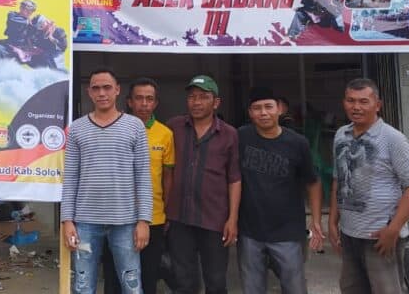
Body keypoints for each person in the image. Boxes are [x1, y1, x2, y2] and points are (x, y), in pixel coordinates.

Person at [328, 78, 409, 294]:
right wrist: (333, 221)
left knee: (386, 290)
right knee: (352, 288)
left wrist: (394, 229)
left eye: (363, 101)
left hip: (380, 235)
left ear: (377, 104)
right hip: (350, 233)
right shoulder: (341, 135)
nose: (356, 107)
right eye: (351, 101)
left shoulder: (392, 138)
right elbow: (338, 179)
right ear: (344, 103)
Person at [62, 68, 152, 294]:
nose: (101, 93)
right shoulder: (76, 129)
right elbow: (71, 176)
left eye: (107, 87)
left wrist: (144, 221)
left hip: (125, 222)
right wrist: (67, 220)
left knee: (132, 285)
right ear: (89, 92)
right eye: (96, 88)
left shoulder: (135, 126)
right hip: (85, 223)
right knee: (83, 286)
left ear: (117, 90)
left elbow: (142, 176)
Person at [237, 87, 324, 294]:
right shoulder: (240, 137)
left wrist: (317, 220)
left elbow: (313, 182)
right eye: (257, 108)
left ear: (280, 109)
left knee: (294, 288)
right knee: (252, 288)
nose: (263, 113)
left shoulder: (297, 143)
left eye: (268, 107)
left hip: (288, 232)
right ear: (250, 113)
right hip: (250, 231)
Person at [166, 75, 241, 294]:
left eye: (203, 97)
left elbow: (234, 178)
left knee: (216, 281)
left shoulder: (229, 134)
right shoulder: (174, 127)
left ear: (216, 102)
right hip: (179, 218)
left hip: (214, 220)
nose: (196, 102)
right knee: (183, 280)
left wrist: (233, 219)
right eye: (192, 97)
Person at [102, 78, 174, 294]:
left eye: (149, 99)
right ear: (129, 101)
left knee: (148, 276)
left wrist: (166, 211)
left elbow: (168, 177)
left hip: (153, 217)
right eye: (139, 98)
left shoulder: (165, 134)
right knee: (114, 277)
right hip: (116, 216)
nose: (144, 104)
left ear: (156, 103)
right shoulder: (112, 128)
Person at [0, 0, 37, 64]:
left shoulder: (30, 23)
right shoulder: (12, 15)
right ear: (21, 8)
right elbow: (15, 22)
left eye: (31, 12)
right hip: (10, 48)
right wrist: (1, 41)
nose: (29, 13)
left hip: (24, 50)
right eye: (28, 10)